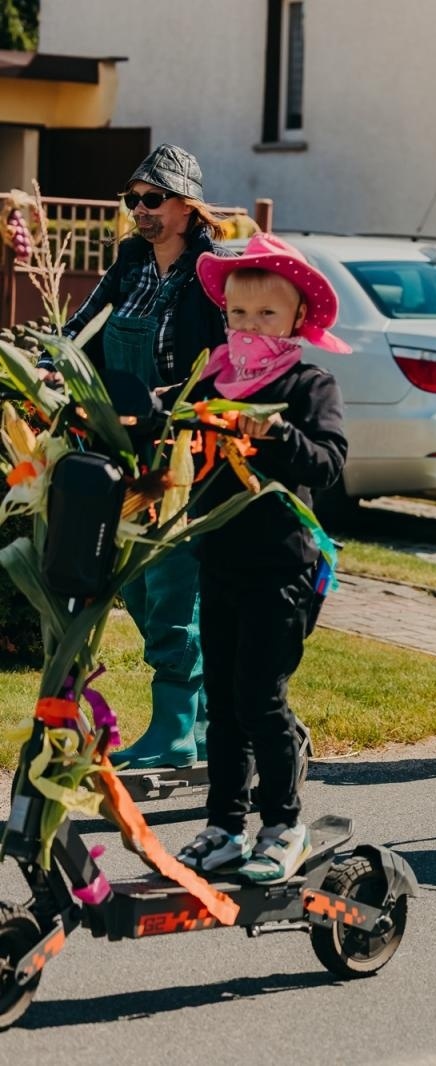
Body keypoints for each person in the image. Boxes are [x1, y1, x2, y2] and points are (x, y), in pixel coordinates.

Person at [177, 234, 349, 882]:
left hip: (281, 567)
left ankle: (283, 825)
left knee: (260, 698)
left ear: (297, 319)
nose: (250, 327)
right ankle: (224, 825)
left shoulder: (308, 383)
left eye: (266, 315)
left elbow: (329, 464)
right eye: (238, 315)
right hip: (218, 556)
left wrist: (277, 435)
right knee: (220, 701)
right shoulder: (214, 375)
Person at [51, 144, 228, 770]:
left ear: (187, 207)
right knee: (133, 582)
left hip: (181, 450)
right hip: (120, 443)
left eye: (153, 200)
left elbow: (227, 364)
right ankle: (204, 722)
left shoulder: (212, 271)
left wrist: (174, 402)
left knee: (172, 580)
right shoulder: (129, 262)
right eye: (134, 201)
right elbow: (83, 326)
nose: (140, 211)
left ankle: (176, 726)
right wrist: (48, 365)